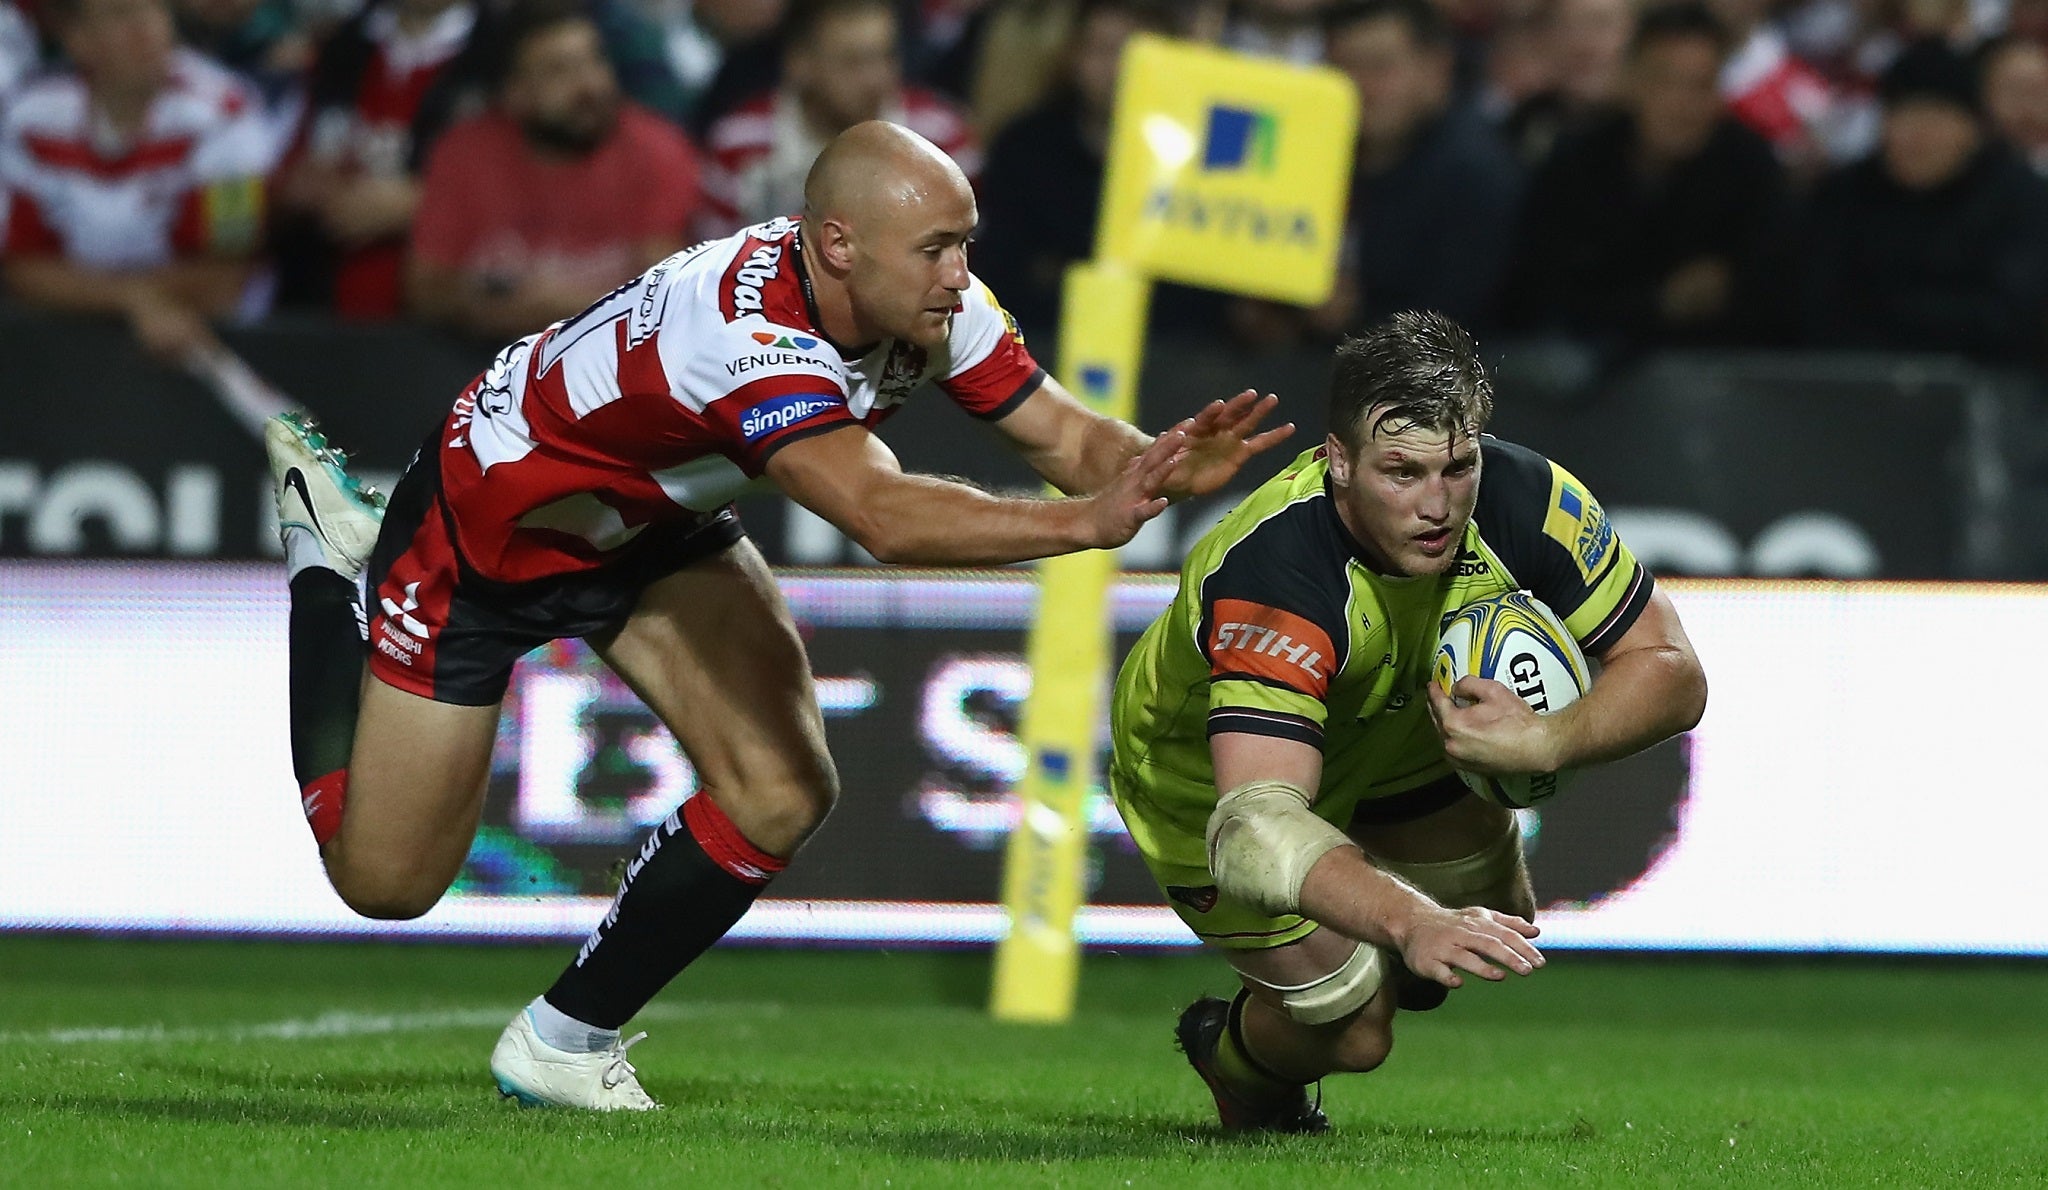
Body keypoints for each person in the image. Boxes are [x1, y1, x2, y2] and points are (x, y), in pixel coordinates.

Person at [266, 119, 1293, 1112]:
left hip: (651, 521)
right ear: (839, 244)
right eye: (937, 248)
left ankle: (563, 1040)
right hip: (488, 534)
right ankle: (327, 559)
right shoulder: (739, 332)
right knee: (384, 881)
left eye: (963, 243)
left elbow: (1068, 439)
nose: (959, 272)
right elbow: (880, 515)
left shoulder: (927, 301)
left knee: (780, 789)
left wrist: (1152, 464)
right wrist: (1086, 523)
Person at [1106, 311, 1707, 1133]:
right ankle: (1237, 1063)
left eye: (1457, 467)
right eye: (1402, 472)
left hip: (1394, 737)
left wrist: (1547, 737)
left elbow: (1673, 672)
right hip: (1206, 783)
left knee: (1479, 935)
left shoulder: (1526, 496)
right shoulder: (1279, 574)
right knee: (1356, 1022)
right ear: (1337, 460)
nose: (1437, 505)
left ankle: (1391, 940)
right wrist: (1412, 918)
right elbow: (1256, 824)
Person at [407, 0, 706, 340]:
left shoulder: (657, 149)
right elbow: (425, 289)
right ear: (514, 94)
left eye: (594, 60)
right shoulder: (463, 152)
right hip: (479, 361)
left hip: (617, 362)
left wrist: (558, 308)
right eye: (558, 70)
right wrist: (496, 308)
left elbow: (665, 299)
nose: (589, 85)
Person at [1503, 2, 1791, 354]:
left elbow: (1775, 309)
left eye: (1700, 85)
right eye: (1665, 81)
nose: (1681, 103)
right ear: (1630, 82)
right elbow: (1540, 294)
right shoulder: (1577, 166)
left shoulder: (1753, 172)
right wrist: (1658, 303)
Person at [0, 0, 273, 360]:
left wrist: (103, 293)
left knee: (296, 420)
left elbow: (227, 273)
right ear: (76, 39)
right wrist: (132, 299)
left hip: (225, 347)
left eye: (155, 10)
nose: (146, 29)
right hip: (68, 351)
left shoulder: (227, 113)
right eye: (120, 15)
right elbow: (18, 268)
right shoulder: (30, 119)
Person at [1799, 38, 2048, 361]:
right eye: (1903, 114)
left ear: (1973, 129)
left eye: (1937, 117)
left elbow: (2012, 317)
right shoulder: (1842, 194)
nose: (1919, 135)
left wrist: (1885, 306)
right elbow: (1812, 307)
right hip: (1856, 385)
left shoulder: (2020, 199)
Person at [698, 0, 976, 236]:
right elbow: (720, 264)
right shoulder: (741, 143)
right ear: (799, 63)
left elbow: (967, 260)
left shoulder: (939, 136)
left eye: (885, 56)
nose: (874, 79)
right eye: (852, 62)